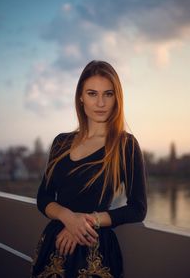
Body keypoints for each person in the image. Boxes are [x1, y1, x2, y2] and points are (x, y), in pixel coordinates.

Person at [30, 60, 147, 278]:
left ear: (116, 98)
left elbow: (138, 208)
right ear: (81, 97)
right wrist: (68, 218)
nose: (100, 102)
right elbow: (43, 197)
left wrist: (86, 222)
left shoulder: (125, 145)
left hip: (95, 252)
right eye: (92, 93)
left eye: (108, 94)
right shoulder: (61, 143)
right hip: (55, 244)